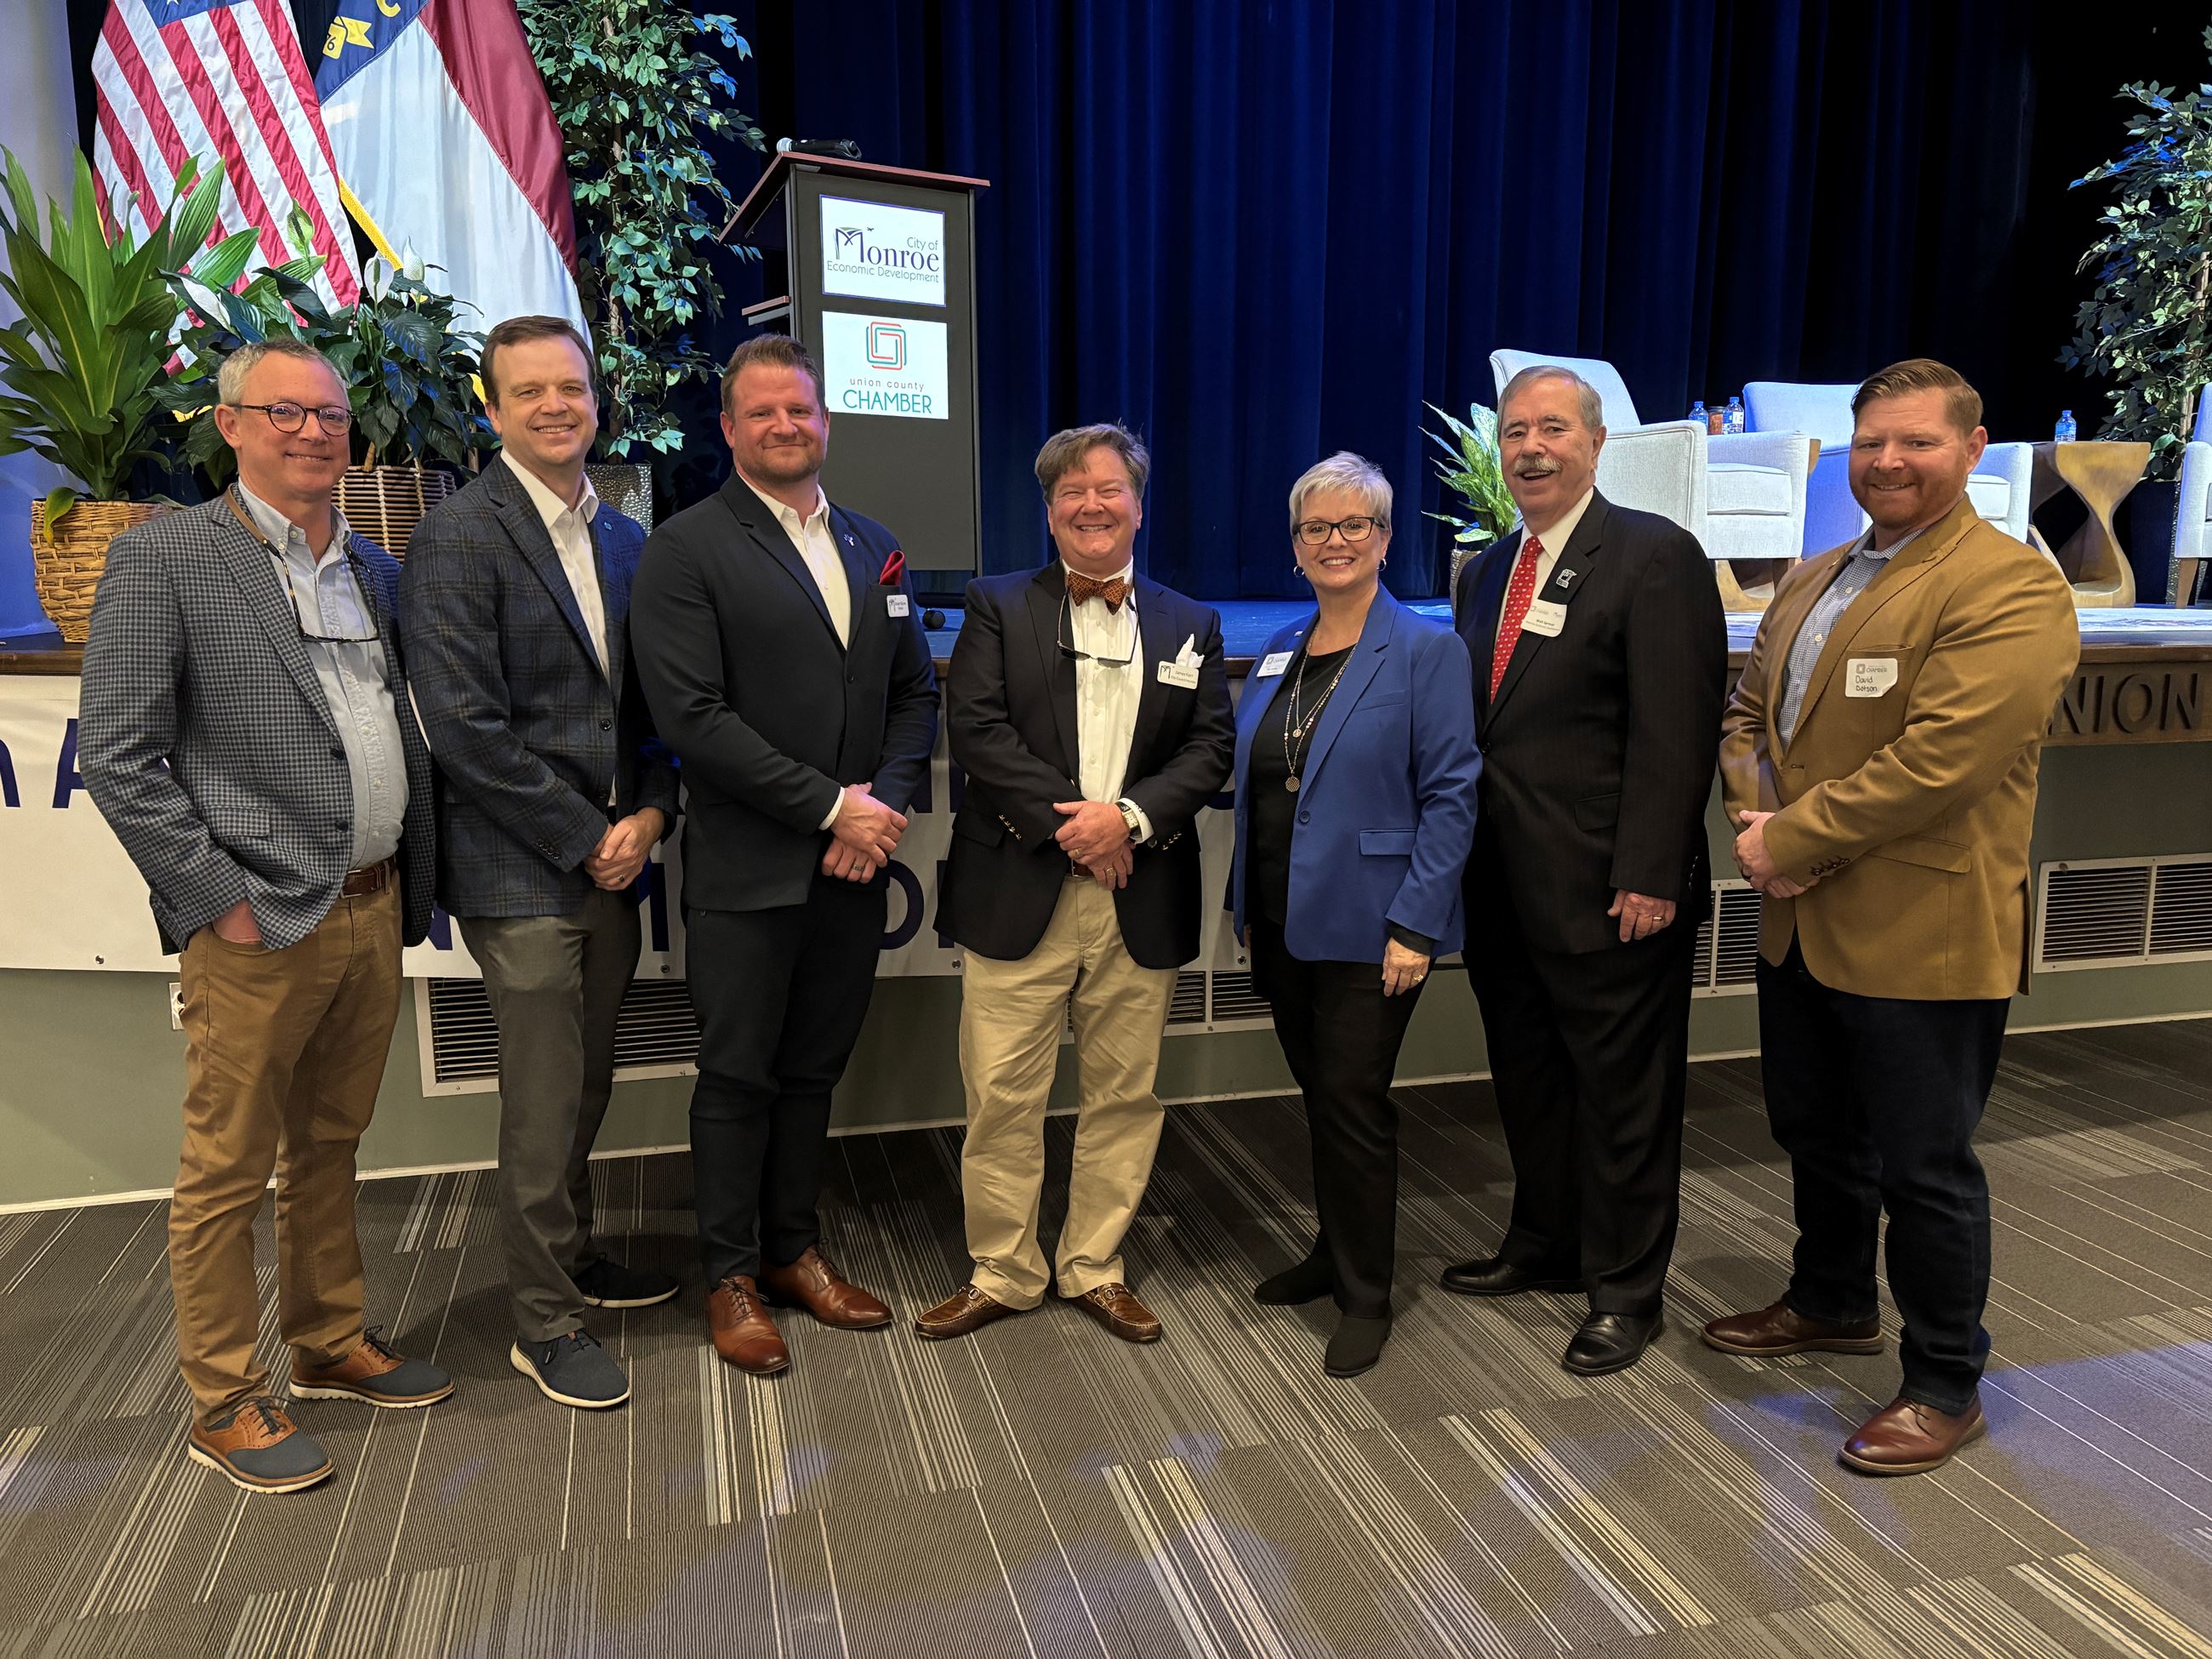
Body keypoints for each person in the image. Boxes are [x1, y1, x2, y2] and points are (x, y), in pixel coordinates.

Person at [78, 339, 452, 1495]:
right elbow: (124, 758)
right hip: (257, 923)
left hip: (372, 906)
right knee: (226, 1169)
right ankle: (225, 1397)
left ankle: (329, 1338)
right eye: (284, 411)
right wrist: (220, 904)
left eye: (332, 416)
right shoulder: (166, 559)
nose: (313, 433)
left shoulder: (378, 572)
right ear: (230, 425)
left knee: (330, 1147)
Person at [1704, 358, 2078, 1475]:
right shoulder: (1816, 576)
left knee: (1925, 1163)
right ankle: (1829, 1298)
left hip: (1924, 928)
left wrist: (1793, 840)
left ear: (1971, 449)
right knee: (1815, 1130)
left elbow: (1944, 761)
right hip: (1802, 918)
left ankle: (1944, 1378)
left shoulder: (2010, 587)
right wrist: (1755, 818)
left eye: (1917, 441)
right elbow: (1745, 710)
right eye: (1873, 442)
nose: (1890, 461)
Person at [630, 334, 937, 1377]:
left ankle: (792, 1250)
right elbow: (692, 716)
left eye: (799, 410)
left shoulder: (872, 544)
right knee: (736, 1075)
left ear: (825, 421)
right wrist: (828, 810)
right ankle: (729, 1274)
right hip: (748, 870)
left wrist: (880, 810)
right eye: (760, 413)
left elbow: (911, 696)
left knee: (812, 1071)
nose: (783, 427)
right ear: (728, 429)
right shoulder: (685, 548)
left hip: (853, 870)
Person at [402, 316, 681, 1412]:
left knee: (589, 1082)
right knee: (541, 1099)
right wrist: (586, 837)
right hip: (524, 868)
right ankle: (543, 1324)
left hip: (619, 855)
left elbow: (656, 711)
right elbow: (462, 727)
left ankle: (570, 1259)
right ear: (492, 409)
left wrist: (650, 817)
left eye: (570, 388)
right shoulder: (459, 536)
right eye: (529, 393)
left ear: (594, 401)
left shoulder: (625, 540)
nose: (555, 406)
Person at [918, 424, 1234, 1347]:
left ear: (1138, 504)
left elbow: (1209, 748)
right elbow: (978, 734)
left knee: (1123, 1097)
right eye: (1071, 492)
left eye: (1108, 489)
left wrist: (1126, 821)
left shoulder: (1191, 623)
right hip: (1021, 887)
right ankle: (1004, 1271)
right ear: (1048, 509)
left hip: (1140, 890)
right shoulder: (995, 605)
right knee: (1002, 1096)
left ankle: (1093, 1266)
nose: (1091, 505)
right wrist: (1079, 830)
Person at [1442, 365, 1727, 1377]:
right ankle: (1544, 1242)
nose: (1530, 447)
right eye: (1516, 431)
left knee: (1623, 1098)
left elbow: (1676, 731)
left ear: (1596, 443)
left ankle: (1624, 1289)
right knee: (1528, 1080)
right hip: (1502, 888)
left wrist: (1649, 872)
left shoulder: (1656, 557)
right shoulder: (1482, 572)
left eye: (1552, 428)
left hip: (1616, 891)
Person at [1229, 453, 1480, 1377]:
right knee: (1322, 1100)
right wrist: (1244, 902)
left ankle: (1367, 1292)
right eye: (1314, 528)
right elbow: (1266, 785)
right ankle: (1330, 1254)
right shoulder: (1282, 645)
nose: (1333, 542)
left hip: (1375, 927)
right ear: (1294, 546)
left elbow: (1452, 795)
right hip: (1283, 918)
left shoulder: (1423, 650)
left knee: (1353, 1104)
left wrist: (1415, 923)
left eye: (1353, 526)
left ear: (1382, 540)